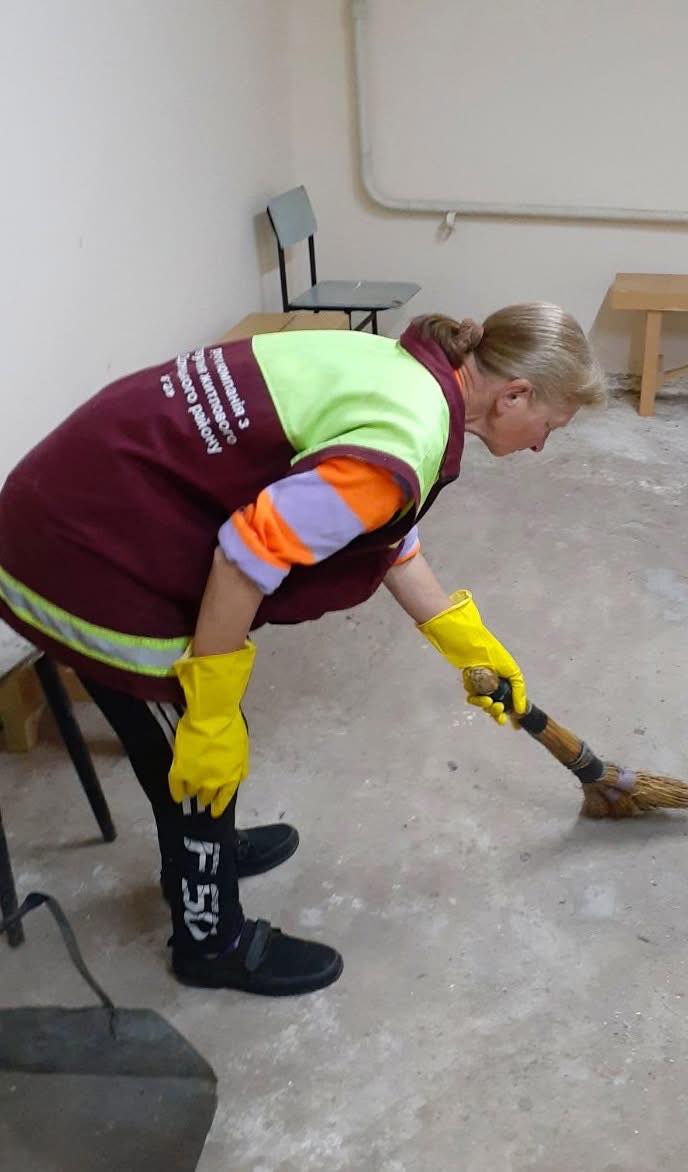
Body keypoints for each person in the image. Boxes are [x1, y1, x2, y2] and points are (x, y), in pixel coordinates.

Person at [0, 305, 604, 996]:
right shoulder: (406, 436)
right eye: (552, 427)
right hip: (78, 551)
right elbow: (244, 559)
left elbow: (377, 529)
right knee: (194, 753)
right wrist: (211, 711)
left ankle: (205, 853)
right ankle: (210, 940)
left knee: (201, 750)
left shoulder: (407, 375)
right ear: (515, 395)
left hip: (87, 495)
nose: (541, 447)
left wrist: (464, 643)